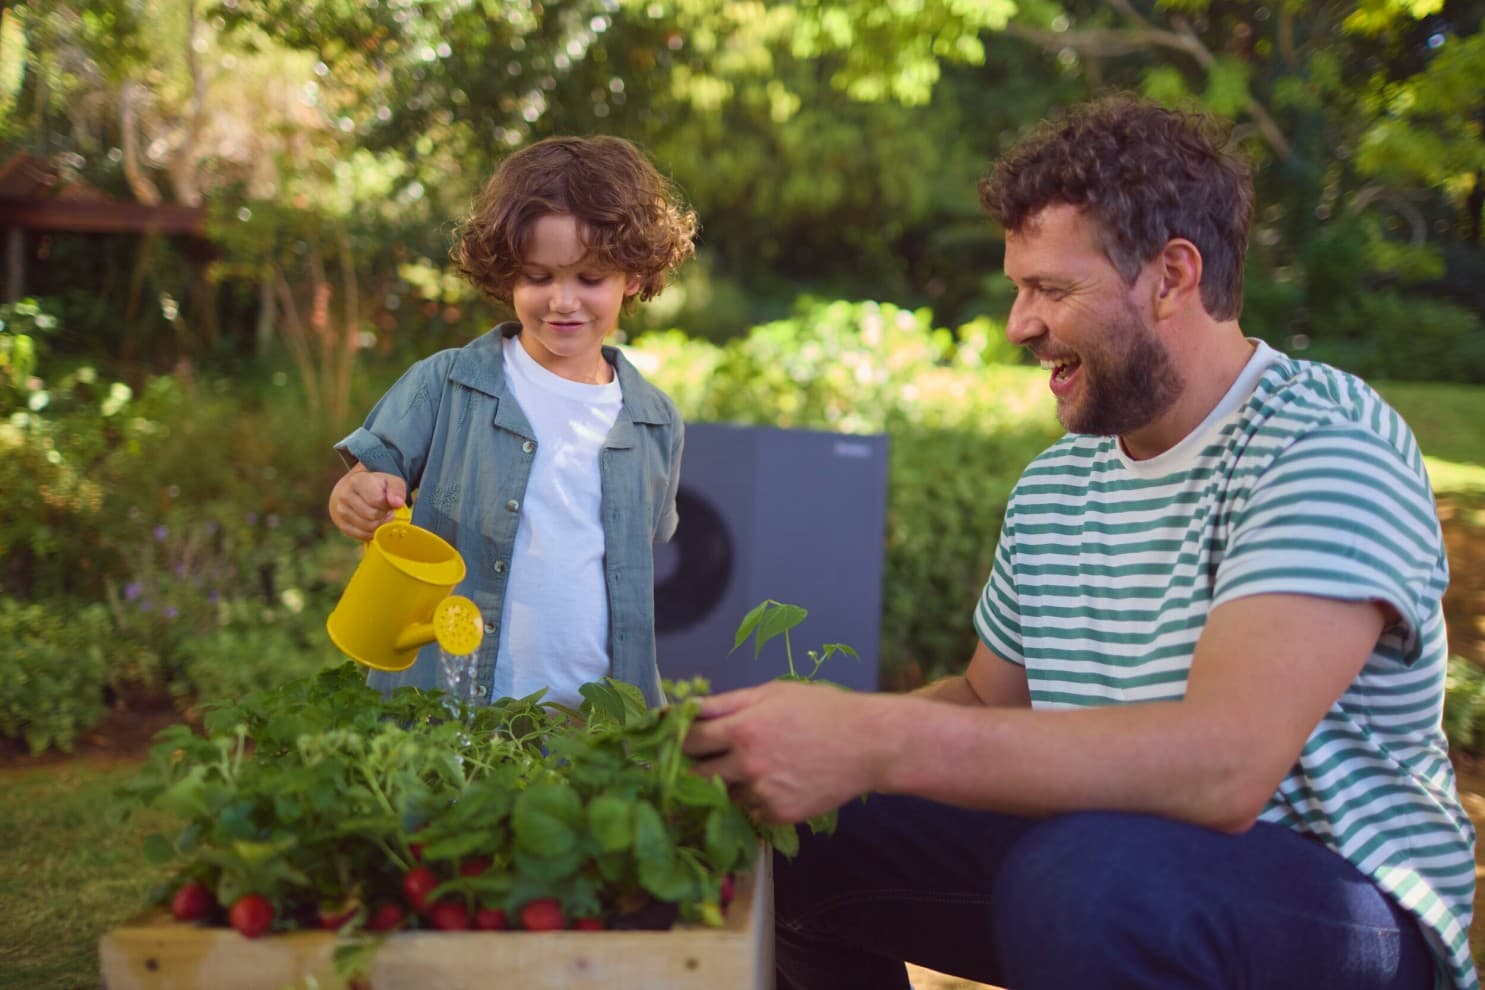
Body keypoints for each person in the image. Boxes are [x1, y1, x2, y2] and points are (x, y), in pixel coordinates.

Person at [684, 95, 1478, 990]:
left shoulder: (1322, 444)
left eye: (1051, 290)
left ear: (1172, 276)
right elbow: (990, 704)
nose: (1018, 324)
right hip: (1104, 866)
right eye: (1019, 287)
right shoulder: (1059, 484)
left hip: (1340, 913)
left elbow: (1223, 767)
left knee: (1093, 879)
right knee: (807, 826)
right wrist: (784, 747)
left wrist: (875, 736)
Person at [328, 135, 697, 710]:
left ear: (632, 275)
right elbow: (368, 479)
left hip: (592, 722)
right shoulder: (445, 384)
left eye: (589, 278)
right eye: (539, 277)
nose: (563, 301)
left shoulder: (655, 421)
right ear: (505, 274)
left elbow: (631, 558)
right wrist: (357, 495)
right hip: (454, 704)